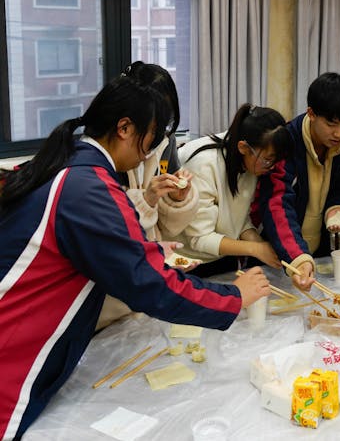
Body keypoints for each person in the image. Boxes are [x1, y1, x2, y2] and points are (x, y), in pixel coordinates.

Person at [0, 72, 270, 440]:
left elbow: (91, 253)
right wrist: (234, 297)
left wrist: (146, 250)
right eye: (152, 137)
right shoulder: (88, 188)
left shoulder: (70, 167)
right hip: (12, 357)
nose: (154, 149)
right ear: (125, 127)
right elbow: (149, 285)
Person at [98, 62, 200, 330]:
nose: (160, 127)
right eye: (155, 115)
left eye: (166, 116)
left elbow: (166, 223)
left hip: (148, 266)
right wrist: (147, 198)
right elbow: (109, 222)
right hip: (112, 283)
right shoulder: (106, 155)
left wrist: (179, 197)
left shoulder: (166, 142)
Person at [258, 72, 340, 290]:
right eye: (332, 124)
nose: (339, 133)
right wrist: (298, 257)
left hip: (321, 254)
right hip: (282, 256)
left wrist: (338, 206)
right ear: (311, 114)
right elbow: (277, 203)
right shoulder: (286, 142)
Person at [167, 104, 292, 277]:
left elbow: (237, 218)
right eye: (268, 160)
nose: (271, 167)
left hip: (221, 255)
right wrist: (255, 248)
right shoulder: (204, 166)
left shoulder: (249, 160)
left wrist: (259, 243)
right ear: (243, 147)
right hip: (187, 263)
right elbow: (199, 239)